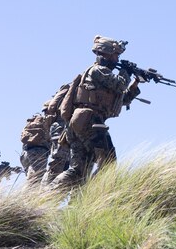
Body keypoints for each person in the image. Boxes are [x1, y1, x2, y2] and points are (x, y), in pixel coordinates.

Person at [48, 36, 140, 189]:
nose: (117, 59)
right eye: (115, 55)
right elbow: (119, 84)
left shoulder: (100, 75)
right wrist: (127, 72)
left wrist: (136, 82)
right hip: (90, 121)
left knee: (79, 171)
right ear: (106, 53)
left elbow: (121, 99)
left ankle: (48, 195)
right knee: (109, 162)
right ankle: (99, 195)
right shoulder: (98, 70)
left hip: (81, 122)